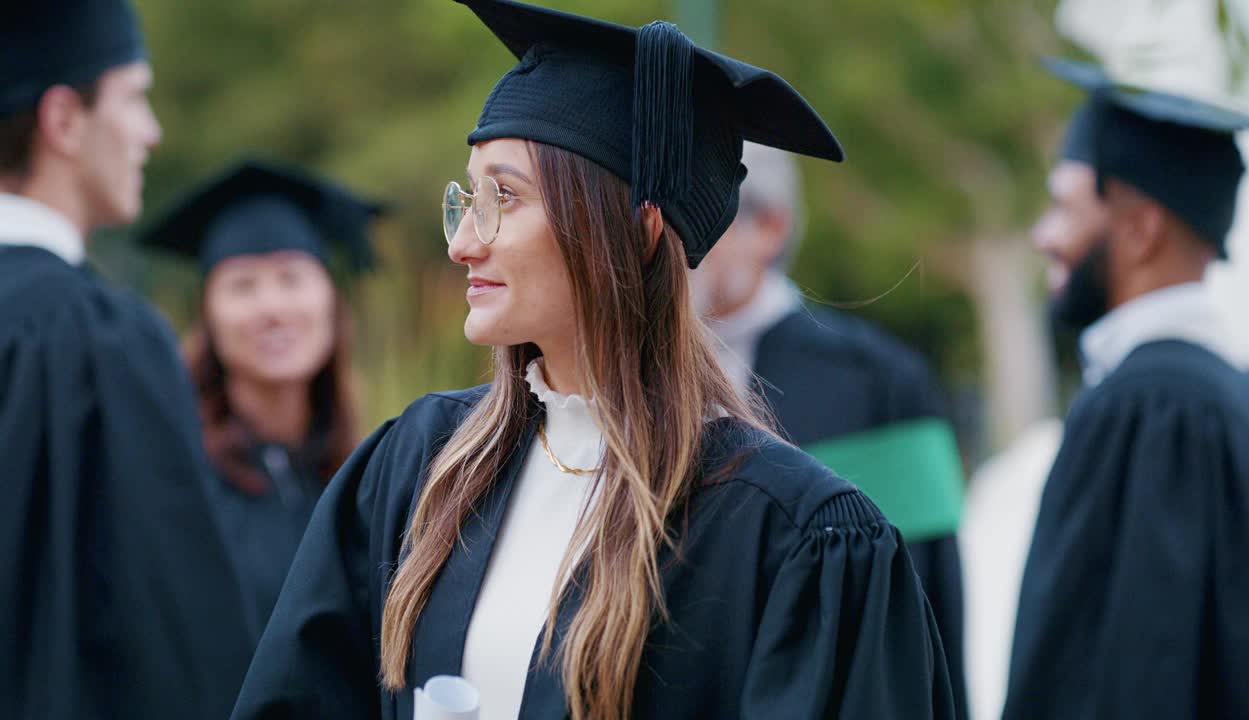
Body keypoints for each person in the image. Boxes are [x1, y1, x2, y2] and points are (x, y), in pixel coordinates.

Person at [233, 1, 956, 719]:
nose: (462, 242)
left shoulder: (790, 533)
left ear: (637, 230)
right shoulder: (418, 466)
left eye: (504, 198)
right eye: (466, 197)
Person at [1003, 58, 1249, 720]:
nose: (1045, 235)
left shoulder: (1146, 408)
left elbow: (1113, 678)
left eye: (1066, 207)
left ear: (1140, 227)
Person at [0, 3, 254, 718]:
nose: (151, 132)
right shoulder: (98, 338)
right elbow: (175, 640)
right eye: (135, 97)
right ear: (63, 121)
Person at [693, 141, 969, 718]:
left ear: (768, 226)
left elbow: (923, 605)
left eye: (698, 214)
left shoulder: (883, 383)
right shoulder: (624, 378)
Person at [140, 159, 387, 642]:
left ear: (330, 302)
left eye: (292, 278)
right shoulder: (173, 477)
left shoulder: (370, 476)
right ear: (207, 317)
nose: (272, 308)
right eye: (243, 285)